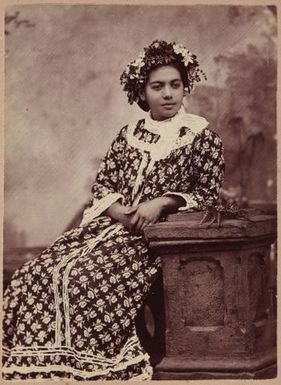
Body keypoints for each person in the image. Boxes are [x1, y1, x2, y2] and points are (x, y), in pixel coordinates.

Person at [2, 40, 224, 380]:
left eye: (175, 85)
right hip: (113, 230)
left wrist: (162, 202)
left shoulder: (200, 135)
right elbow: (104, 185)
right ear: (142, 92)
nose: (168, 94)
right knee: (35, 273)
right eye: (158, 86)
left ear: (185, 86)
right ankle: (40, 366)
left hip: (159, 240)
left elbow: (208, 193)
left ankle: (86, 365)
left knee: (80, 279)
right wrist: (119, 212)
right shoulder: (128, 135)